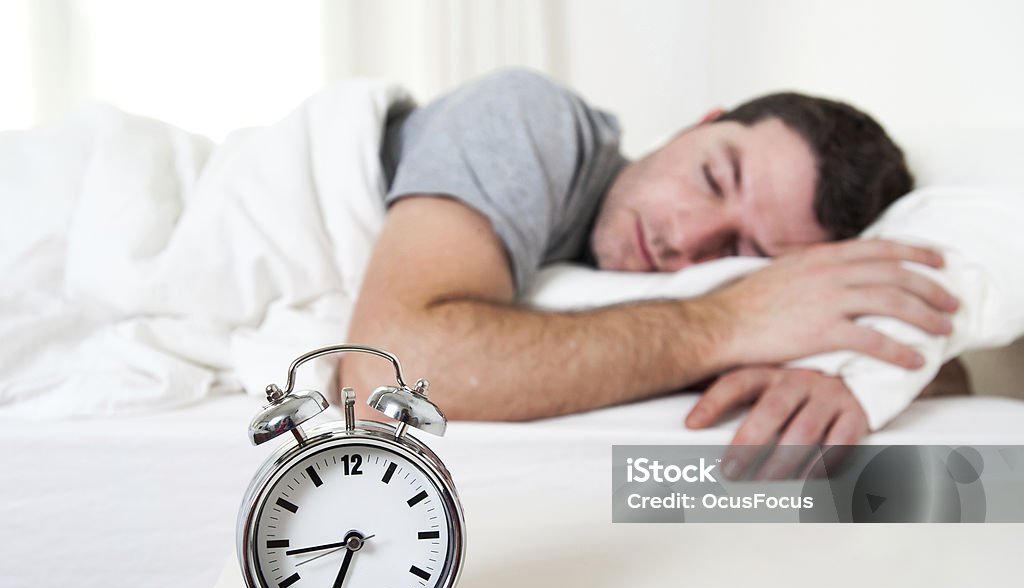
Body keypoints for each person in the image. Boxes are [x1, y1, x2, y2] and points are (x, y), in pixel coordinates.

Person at [341, 68, 961, 446]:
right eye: (714, 177)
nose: (686, 239)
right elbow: (383, 378)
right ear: (698, 125)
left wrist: (847, 373)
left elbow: (951, 372)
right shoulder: (535, 119)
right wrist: (728, 322)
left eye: (741, 253)